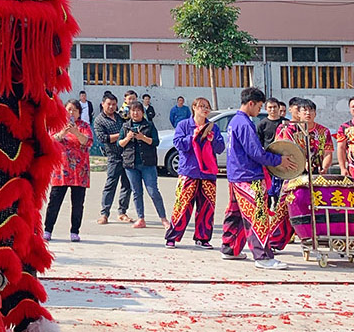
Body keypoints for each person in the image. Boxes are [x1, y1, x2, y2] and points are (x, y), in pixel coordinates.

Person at [221, 87, 299, 270]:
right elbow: (256, 153)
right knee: (258, 217)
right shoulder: (244, 123)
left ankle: (229, 248)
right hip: (249, 177)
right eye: (259, 106)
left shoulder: (235, 121)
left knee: (235, 215)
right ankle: (262, 257)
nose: (259, 110)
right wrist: (279, 160)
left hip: (236, 176)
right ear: (251, 103)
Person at [165, 97, 224, 248]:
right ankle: (172, 237)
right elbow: (178, 143)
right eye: (201, 106)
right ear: (194, 108)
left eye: (207, 107)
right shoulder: (184, 125)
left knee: (207, 207)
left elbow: (220, 148)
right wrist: (193, 136)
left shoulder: (213, 127)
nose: (204, 109)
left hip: (208, 173)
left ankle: (202, 238)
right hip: (189, 171)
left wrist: (212, 140)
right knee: (182, 205)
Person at [43, 99, 92, 242]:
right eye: (69, 109)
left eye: (75, 110)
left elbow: (87, 141)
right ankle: (48, 230)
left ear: (79, 113)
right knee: (54, 202)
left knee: (77, 204)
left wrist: (76, 132)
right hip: (61, 170)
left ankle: (74, 231)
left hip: (79, 172)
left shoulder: (84, 126)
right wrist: (63, 132)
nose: (71, 113)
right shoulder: (57, 124)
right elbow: (51, 141)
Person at [118, 100, 168, 229]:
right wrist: (128, 137)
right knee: (136, 192)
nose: (135, 113)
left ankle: (163, 218)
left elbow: (156, 142)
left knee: (153, 191)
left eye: (138, 110)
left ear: (142, 112)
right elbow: (120, 143)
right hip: (131, 164)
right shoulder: (125, 126)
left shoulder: (149, 125)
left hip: (148, 164)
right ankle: (141, 218)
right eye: (133, 111)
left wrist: (142, 137)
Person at [93, 92, 132, 224]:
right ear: (103, 104)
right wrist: (122, 134)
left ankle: (122, 212)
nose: (111, 107)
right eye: (108, 104)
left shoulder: (121, 116)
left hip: (127, 155)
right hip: (113, 156)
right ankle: (104, 213)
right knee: (110, 185)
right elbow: (103, 138)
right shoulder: (99, 120)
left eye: (114, 104)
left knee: (127, 185)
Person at [276, 98, 334, 175]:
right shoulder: (290, 130)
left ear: (315, 114)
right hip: (295, 170)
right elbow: (288, 151)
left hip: (317, 171)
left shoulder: (324, 131)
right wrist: (303, 163)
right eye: (305, 110)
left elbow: (328, 152)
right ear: (298, 113)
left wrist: (324, 167)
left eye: (311, 110)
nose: (308, 113)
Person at [257, 98, 289, 208]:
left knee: (283, 189)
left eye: (275, 107)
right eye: (270, 107)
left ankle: (281, 210)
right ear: (266, 109)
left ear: (279, 108)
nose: (273, 110)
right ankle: (267, 210)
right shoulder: (262, 124)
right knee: (268, 188)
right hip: (269, 160)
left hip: (284, 160)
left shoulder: (286, 123)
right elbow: (259, 144)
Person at [336, 95, 354, 179]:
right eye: (353, 107)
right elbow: (341, 148)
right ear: (350, 109)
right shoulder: (344, 127)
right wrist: (343, 168)